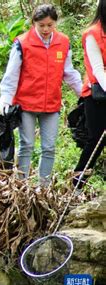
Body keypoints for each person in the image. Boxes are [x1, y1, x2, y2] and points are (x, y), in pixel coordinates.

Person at [0, 4, 83, 186]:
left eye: (50, 25)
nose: (45, 29)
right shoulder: (22, 43)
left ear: (55, 23)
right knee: (27, 145)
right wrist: (5, 98)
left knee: (49, 148)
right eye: (41, 25)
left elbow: (69, 72)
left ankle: (43, 189)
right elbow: (11, 74)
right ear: (34, 23)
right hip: (26, 104)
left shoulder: (63, 42)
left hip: (51, 104)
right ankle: (22, 188)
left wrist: (83, 93)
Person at [72, 0, 106, 190]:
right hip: (97, 96)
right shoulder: (92, 34)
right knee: (96, 140)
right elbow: (98, 71)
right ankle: (77, 185)